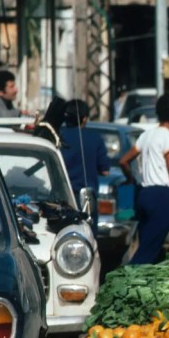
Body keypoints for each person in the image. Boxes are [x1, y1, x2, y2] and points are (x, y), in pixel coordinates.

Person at [119, 93, 169, 265]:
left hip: (144, 194)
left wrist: (131, 179)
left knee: (150, 243)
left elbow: (123, 161)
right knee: (149, 249)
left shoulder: (147, 135)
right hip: (161, 197)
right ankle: (129, 276)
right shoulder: (168, 137)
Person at [59, 99, 111, 237]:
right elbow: (105, 171)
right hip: (86, 198)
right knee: (87, 237)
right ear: (84, 119)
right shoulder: (95, 138)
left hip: (60, 198)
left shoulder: (58, 137)